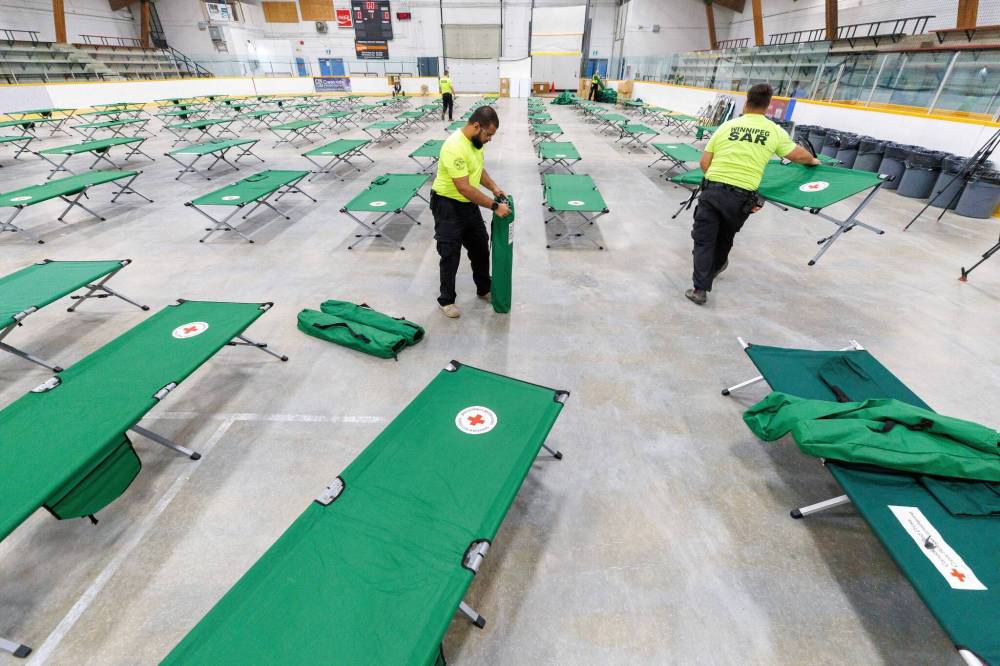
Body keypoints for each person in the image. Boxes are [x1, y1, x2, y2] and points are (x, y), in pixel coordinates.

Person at [686, 82, 820, 306]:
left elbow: (704, 162)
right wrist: (813, 160)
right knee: (725, 237)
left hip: (713, 191)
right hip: (741, 197)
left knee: (704, 240)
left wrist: (716, 182)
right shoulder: (775, 131)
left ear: (746, 102)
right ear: (767, 106)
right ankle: (716, 267)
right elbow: (798, 155)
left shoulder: (726, 127)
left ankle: (700, 289)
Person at [430, 105, 510, 318]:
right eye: (489, 134)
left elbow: (478, 169)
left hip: (468, 205)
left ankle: (484, 288)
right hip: (447, 205)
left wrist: (493, 187)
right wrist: (494, 206)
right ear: (477, 126)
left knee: (480, 248)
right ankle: (446, 300)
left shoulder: (476, 143)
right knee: (450, 254)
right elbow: (464, 188)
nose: (490, 139)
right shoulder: (454, 147)